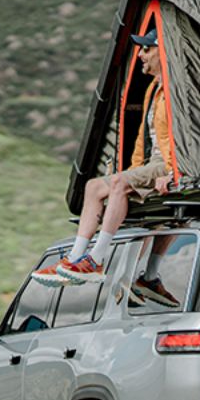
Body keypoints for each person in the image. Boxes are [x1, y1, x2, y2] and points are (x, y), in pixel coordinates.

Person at [32, 28, 173, 286]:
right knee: (96, 186)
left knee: (109, 185)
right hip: (153, 164)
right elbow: (143, 139)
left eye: (147, 49)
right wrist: (131, 172)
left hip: (166, 165)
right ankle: (76, 258)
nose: (141, 54)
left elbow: (187, 139)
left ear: (162, 52)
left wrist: (174, 172)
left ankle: (94, 259)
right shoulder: (154, 88)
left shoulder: (176, 92)